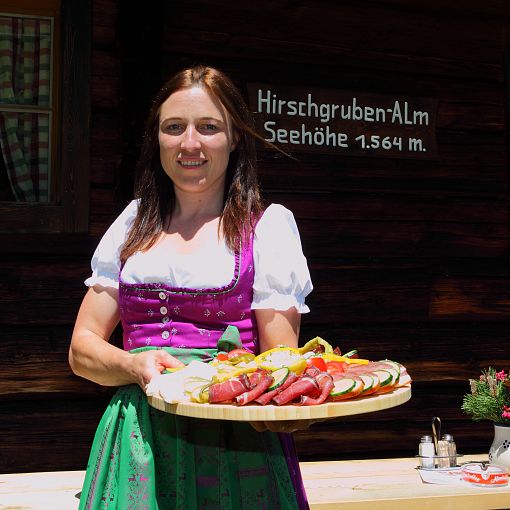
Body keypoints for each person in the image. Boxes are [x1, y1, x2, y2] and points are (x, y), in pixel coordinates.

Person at [69, 65, 313, 509]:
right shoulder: (132, 224)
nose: (190, 143)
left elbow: (282, 363)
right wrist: (133, 366)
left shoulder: (266, 229)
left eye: (209, 127)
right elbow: (82, 350)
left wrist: (284, 407)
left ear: (235, 137)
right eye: (174, 127)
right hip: (138, 445)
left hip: (235, 447)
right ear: (157, 138)